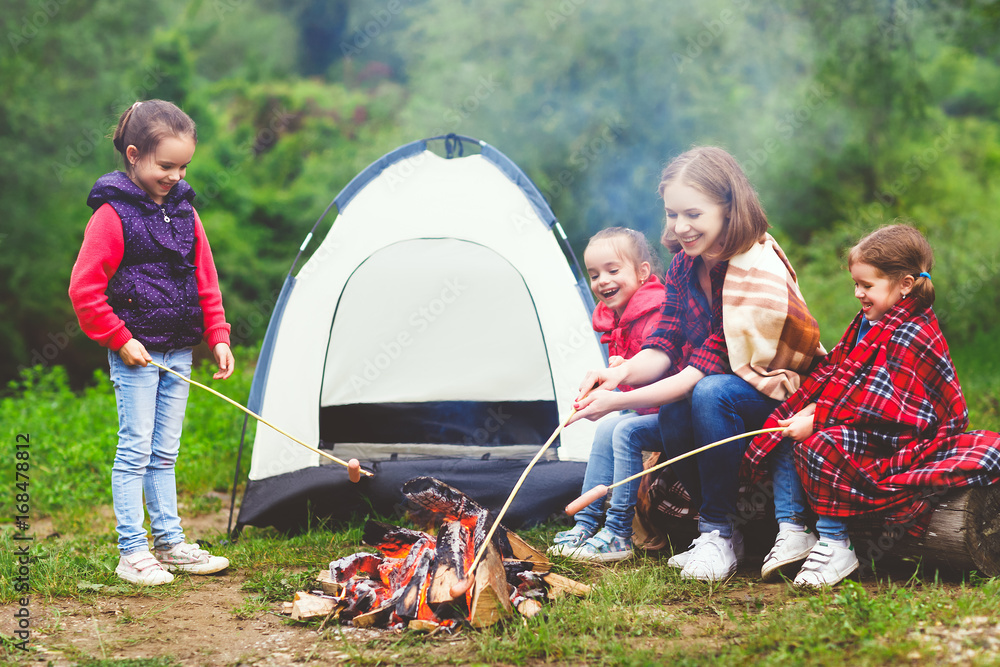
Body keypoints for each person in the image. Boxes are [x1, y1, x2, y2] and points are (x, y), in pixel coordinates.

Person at [570, 146, 823, 581]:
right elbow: (665, 345)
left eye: (693, 214)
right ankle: (722, 534)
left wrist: (612, 403)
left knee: (705, 393)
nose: (680, 227)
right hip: (722, 392)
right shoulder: (686, 267)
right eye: (672, 215)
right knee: (676, 410)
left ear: (728, 208)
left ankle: (717, 532)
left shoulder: (751, 268)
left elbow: (696, 374)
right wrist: (620, 373)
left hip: (780, 391)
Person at [744, 223, 1000, 587]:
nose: (858, 294)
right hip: (864, 423)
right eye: (856, 284)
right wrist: (809, 409)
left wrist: (818, 419)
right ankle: (794, 528)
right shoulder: (869, 322)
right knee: (784, 428)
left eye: (867, 286)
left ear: (905, 284)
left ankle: (836, 542)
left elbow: (886, 405)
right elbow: (843, 377)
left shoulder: (913, 329)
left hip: (905, 435)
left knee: (821, 444)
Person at [69, 99, 234, 586]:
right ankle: (132, 552)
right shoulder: (111, 215)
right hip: (137, 354)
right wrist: (119, 339)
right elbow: (84, 290)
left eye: (184, 166)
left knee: (166, 453)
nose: (176, 176)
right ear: (136, 155)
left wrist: (218, 335)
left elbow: (207, 278)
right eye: (166, 166)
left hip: (179, 349)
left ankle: (169, 542)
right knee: (135, 450)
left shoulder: (186, 211)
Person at [549, 227, 666, 562]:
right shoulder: (618, 319)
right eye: (595, 274)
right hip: (644, 410)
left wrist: (625, 373)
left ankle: (618, 532)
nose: (602, 281)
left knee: (625, 430)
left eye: (613, 270)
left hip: (673, 413)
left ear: (643, 272)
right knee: (605, 427)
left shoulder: (656, 313)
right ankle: (585, 523)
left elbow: (662, 369)